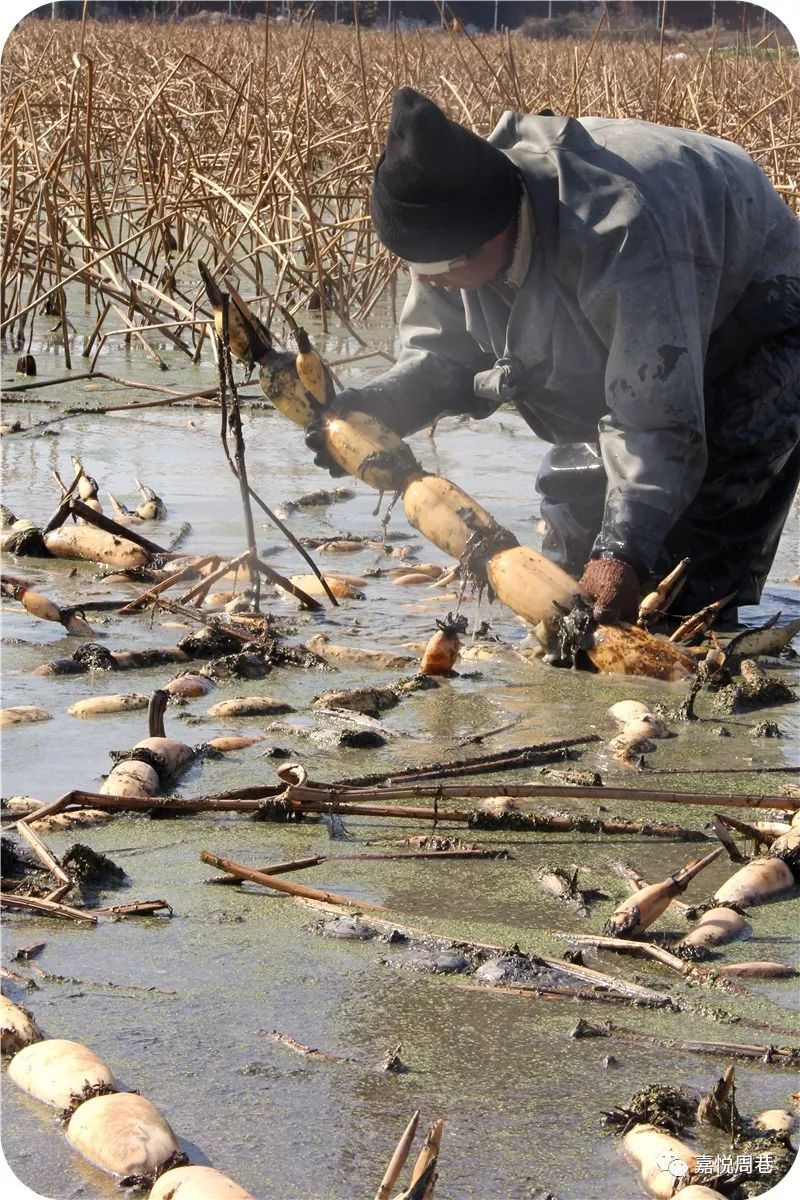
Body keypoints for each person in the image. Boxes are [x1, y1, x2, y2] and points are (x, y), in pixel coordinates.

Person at [306, 87, 800, 624]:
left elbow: (658, 419)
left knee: (688, 579)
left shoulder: (620, 232)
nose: (434, 284)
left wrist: (621, 556)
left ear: (495, 232)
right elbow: (446, 359)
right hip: (641, 324)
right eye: (420, 270)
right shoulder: (443, 230)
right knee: (566, 570)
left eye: (444, 269)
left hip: (758, 311)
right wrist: (371, 410)